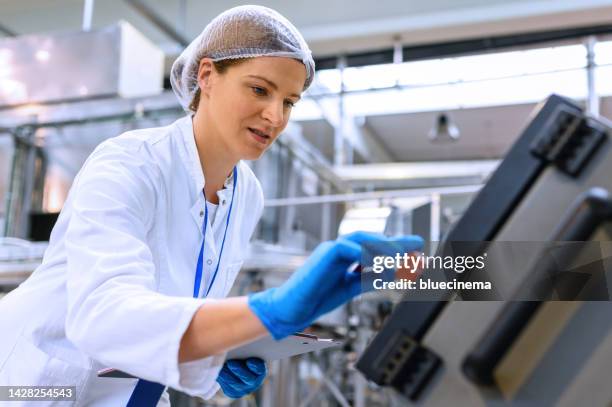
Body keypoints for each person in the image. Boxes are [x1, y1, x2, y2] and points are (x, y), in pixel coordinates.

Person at [0, 5, 424, 406]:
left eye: (290, 102)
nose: (275, 116)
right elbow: (103, 315)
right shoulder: (129, 163)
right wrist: (266, 312)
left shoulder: (248, 195)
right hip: (31, 383)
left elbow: (176, 309)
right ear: (207, 75)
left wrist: (221, 349)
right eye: (260, 89)